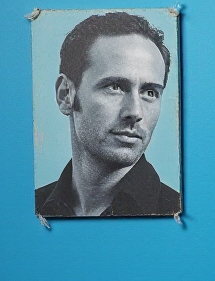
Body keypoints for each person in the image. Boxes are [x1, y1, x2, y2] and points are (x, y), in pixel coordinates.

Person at [35, 12, 180, 217]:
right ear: (66, 94)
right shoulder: (29, 211)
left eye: (150, 92)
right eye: (115, 87)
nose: (135, 112)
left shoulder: (177, 214)